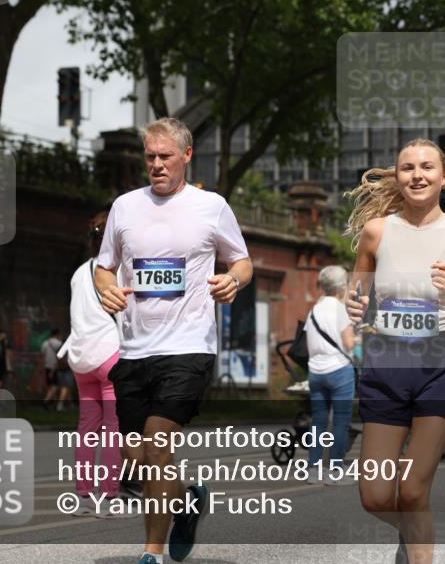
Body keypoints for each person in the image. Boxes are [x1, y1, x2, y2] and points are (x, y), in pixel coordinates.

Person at [95, 117, 253, 564]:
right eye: (149, 157)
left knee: (157, 440)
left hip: (188, 346)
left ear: (186, 156)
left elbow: (242, 261)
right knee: (136, 457)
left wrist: (232, 281)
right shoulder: (124, 207)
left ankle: (151, 554)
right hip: (134, 348)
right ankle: (186, 500)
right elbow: (105, 265)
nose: (157, 165)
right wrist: (104, 286)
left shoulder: (212, 206)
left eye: (165, 156)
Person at [345, 138, 445, 564]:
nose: (417, 175)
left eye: (427, 167)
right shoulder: (377, 232)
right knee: (374, 495)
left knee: (411, 490)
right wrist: (355, 304)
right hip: (386, 369)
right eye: (407, 168)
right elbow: (358, 294)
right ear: (398, 175)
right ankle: (419, 533)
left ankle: (419, 550)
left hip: (441, 370)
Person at [60, 211, 123, 512]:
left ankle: (84, 492)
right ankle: (110, 492)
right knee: (113, 427)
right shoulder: (116, 272)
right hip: (110, 356)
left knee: (87, 427)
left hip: (80, 359)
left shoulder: (77, 273)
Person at [306, 265, 358, 485]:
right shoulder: (340, 309)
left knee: (318, 422)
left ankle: (314, 469)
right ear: (340, 288)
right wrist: (360, 339)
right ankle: (336, 470)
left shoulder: (314, 310)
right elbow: (348, 342)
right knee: (340, 422)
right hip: (339, 371)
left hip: (315, 373)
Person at [41, 328, 63, 408]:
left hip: (47, 366)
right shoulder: (59, 343)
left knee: (50, 385)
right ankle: (46, 401)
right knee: (55, 386)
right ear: (57, 334)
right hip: (55, 366)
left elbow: (43, 354)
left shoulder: (45, 343)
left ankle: (52, 402)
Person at [0, 329, 12, 394]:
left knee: (0, 381)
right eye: (3, 334)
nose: (5, 335)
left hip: (2, 364)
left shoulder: (2, 343)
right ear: (0, 334)